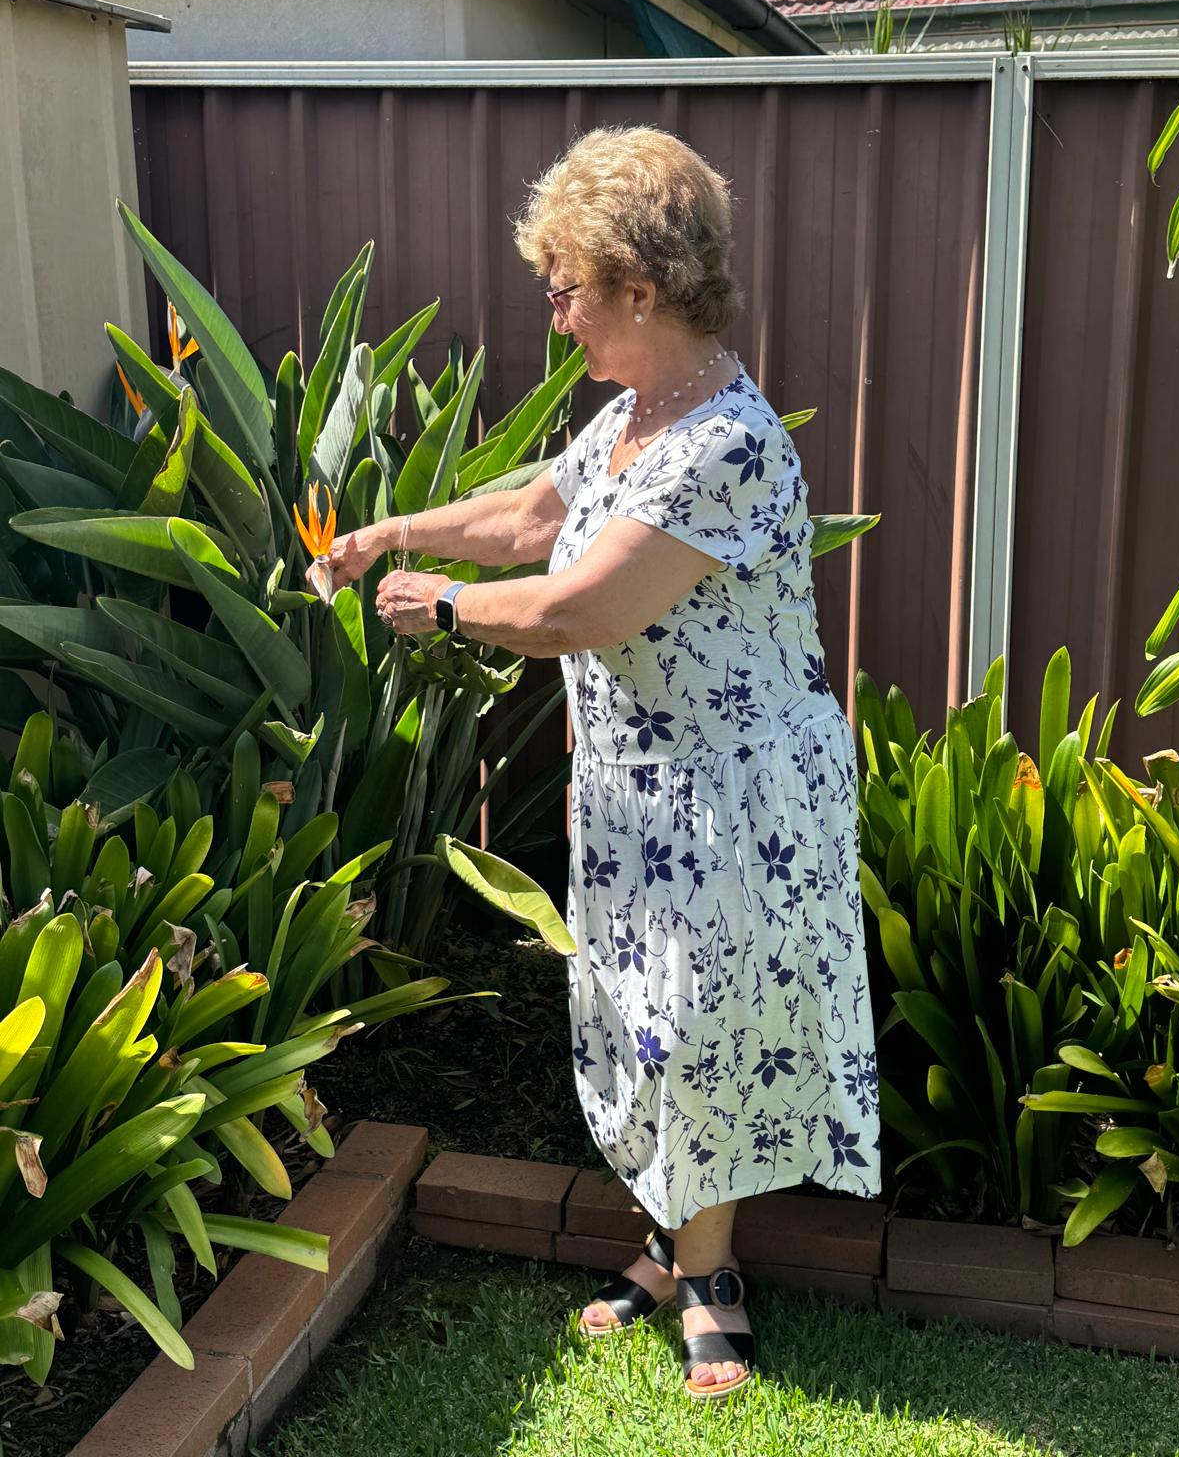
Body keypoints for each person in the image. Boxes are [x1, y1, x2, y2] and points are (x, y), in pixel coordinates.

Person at [319, 125, 881, 1403]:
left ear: (642, 284)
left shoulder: (725, 442)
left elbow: (582, 608)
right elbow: (532, 515)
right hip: (640, 787)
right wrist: (388, 531)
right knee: (636, 1017)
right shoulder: (639, 415)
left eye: (567, 284)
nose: (555, 311)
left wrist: (444, 607)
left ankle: (713, 1278)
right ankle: (672, 1241)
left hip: (735, 797)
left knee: (698, 1028)